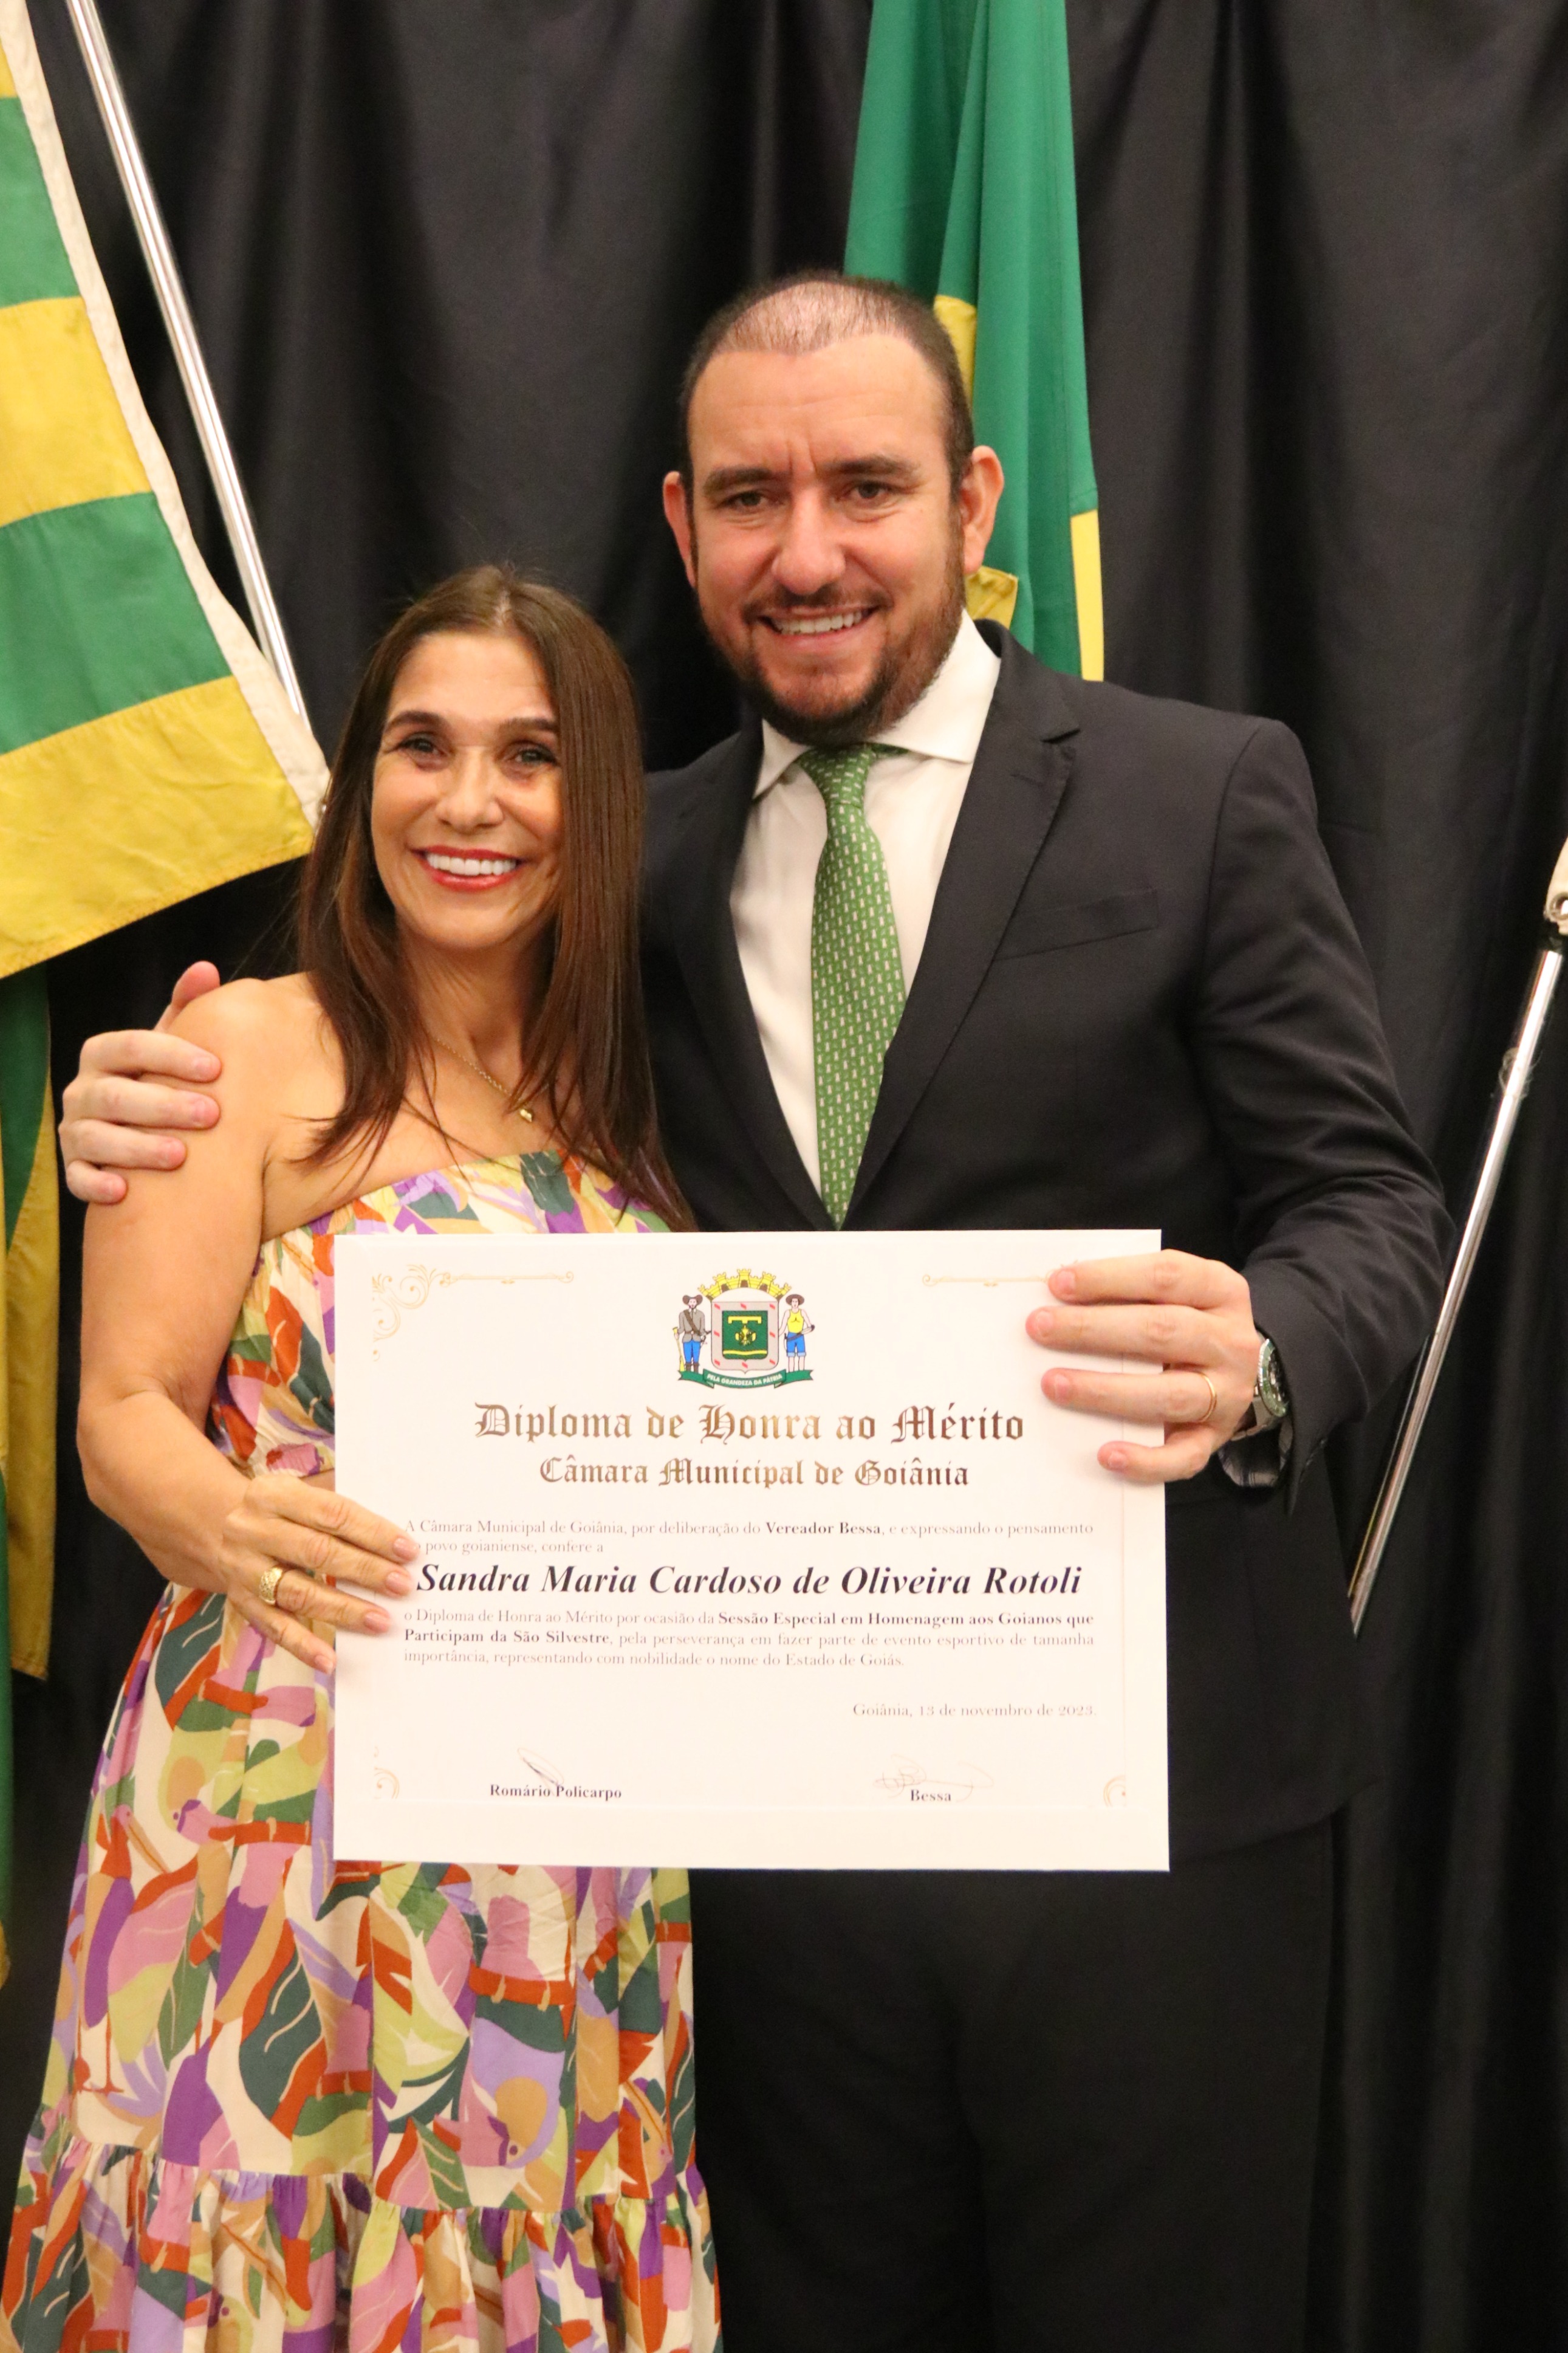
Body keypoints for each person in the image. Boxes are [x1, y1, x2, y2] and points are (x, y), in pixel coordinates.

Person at [59, 274, 1450, 2352]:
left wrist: (1267, 1355)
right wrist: (127, 1107)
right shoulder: (621, 870)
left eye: (865, 487)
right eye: (750, 497)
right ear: (685, 525)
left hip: (1146, 1815)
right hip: (755, 1850)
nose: (809, 550)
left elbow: (1369, 1202)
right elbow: (389, 1101)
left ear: (973, 500)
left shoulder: (1203, 792)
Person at [10, 570, 716, 2353]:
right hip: (272, 1802)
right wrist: (254, 1530)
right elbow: (122, 1418)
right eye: (423, 746)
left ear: (596, 797)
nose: (469, 801)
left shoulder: (630, 1097)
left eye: (528, 756)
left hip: (560, 1842)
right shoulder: (245, 1048)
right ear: (364, 779)